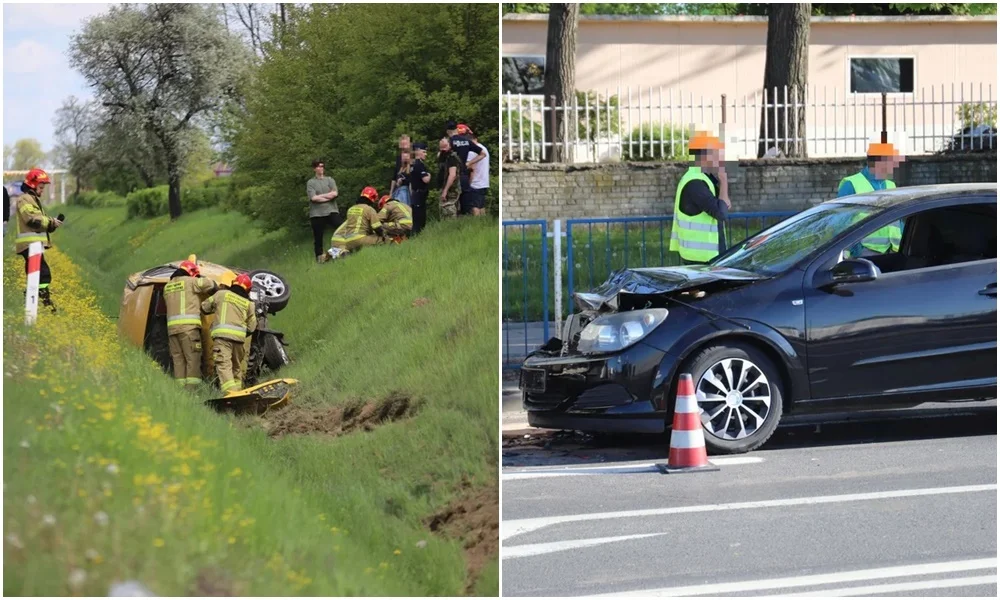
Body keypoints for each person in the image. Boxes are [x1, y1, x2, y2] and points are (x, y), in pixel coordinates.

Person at [668, 132, 730, 265]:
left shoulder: (704, 179)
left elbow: (726, 204)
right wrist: (724, 180)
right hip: (701, 259)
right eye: (716, 152)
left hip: (706, 257)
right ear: (704, 156)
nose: (720, 157)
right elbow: (722, 213)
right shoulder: (695, 183)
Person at [838, 142, 904, 257]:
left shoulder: (891, 185)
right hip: (865, 252)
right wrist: (852, 251)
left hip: (893, 251)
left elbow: (898, 221)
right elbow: (842, 222)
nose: (893, 166)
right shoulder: (851, 184)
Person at [164, 260, 218, 390]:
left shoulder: (167, 286)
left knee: (178, 361)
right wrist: (199, 277)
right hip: (188, 329)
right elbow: (212, 285)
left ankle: (180, 391)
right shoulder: (192, 282)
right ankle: (192, 391)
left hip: (172, 331)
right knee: (192, 359)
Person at [201, 273, 257, 395]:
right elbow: (252, 327)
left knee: (224, 366)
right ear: (247, 290)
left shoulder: (221, 294)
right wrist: (240, 334)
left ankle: (231, 395)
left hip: (222, 340)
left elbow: (204, 307)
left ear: (233, 284)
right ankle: (240, 393)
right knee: (236, 368)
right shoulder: (249, 304)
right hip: (239, 341)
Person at [14, 168, 61, 311]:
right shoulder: (25, 199)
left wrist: (52, 224)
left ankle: (37, 300)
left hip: (33, 245)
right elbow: (33, 220)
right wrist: (51, 222)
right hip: (29, 245)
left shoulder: (32, 199)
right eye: (41, 187)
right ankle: (44, 302)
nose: (42, 190)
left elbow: (40, 222)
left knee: (38, 275)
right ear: (33, 185)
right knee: (44, 274)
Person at [328, 186, 384, 256]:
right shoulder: (369, 209)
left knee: (344, 251)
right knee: (384, 239)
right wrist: (384, 235)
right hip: (358, 239)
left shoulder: (351, 209)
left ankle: (339, 253)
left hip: (348, 241)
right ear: (372, 198)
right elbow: (377, 228)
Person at [306, 159, 342, 264]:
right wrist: (327, 197)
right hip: (317, 213)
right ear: (314, 169)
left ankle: (341, 249)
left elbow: (335, 193)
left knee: (340, 228)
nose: (320, 168)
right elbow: (313, 198)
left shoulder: (330, 180)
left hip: (331, 210)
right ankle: (319, 259)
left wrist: (320, 197)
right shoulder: (311, 182)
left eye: (322, 166)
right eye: (318, 166)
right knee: (318, 238)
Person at [446, 122, 486, 214]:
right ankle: (466, 220)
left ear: (448, 131)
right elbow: (482, 154)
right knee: (465, 202)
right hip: (464, 174)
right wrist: (469, 163)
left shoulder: (449, 142)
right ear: (456, 129)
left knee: (451, 201)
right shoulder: (466, 141)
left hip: (452, 175)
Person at [462, 129, 490, 216]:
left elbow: (472, 168)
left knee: (475, 206)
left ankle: (476, 223)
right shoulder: (483, 148)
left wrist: (468, 183)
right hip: (484, 182)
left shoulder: (472, 151)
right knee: (481, 206)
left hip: (475, 183)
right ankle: (484, 224)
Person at [409, 142, 432, 234]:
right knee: (420, 218)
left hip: (415, 194)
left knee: (416, 217)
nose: (425, 154)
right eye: (424, 152)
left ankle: (417, 234)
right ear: (417, 151)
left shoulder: (412, 164)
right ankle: (417, 234)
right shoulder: (419, 165)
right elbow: (426, 179)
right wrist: (429, 175)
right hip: (419, 194)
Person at [437, 138, 462, 219]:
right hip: (444, 187)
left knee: (449, 211)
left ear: (450, 146)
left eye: (445, 147)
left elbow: (452, 175)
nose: (443, 149)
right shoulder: (443, 157)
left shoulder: (452, 158)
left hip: (451, 190)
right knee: (443, 212)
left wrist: (445, 191)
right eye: (441, 148)